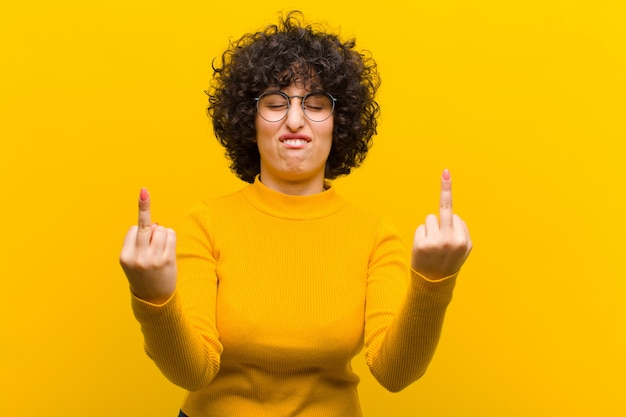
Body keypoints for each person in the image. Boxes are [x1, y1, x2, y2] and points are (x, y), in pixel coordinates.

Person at [120, 11, 472, 417]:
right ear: (249, 122)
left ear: (338, 123)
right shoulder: (206, 223)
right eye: (274, 103)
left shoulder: (375, 234)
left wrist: (433, 281)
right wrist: (153, 295)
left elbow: (395, 374)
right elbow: (193, 373)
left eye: (315, 104)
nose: (294, 120)